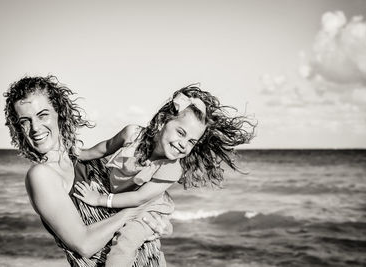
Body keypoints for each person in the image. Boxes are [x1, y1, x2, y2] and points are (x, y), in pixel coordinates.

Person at [73, 84, 255, 267]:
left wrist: (99, 199)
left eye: (191, 141)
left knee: (125, 244)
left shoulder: (172, 168)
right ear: (161, 121)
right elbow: (105, 147)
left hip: (149, 207)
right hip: (127, 196)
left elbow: (138, 198)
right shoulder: (132, 134)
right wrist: (80, 154)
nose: (183, 144)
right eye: (181, 132)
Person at [3, 75, 172, 267]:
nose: (35, 127)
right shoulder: (41, 175)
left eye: (43, 115)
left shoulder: (92, 161)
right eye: (25, 121)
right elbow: (85, 244)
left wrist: (158, 223)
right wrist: (134, 210)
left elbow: (150, 207)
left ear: (59, 112)